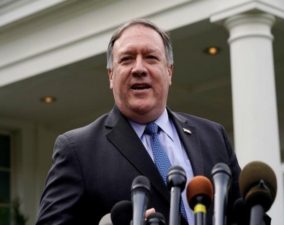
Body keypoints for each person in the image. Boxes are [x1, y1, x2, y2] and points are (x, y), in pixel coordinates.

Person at [36, 19, 241, 225]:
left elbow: (247, 214)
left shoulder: (213, 136)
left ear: (169, 71)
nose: (139, 69)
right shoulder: (78, 149)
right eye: (127, 59)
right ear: (111, 75)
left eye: (151, 58)